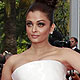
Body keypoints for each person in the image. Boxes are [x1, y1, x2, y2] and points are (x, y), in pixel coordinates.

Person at [1, 0, 80, 80]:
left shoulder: (65, 54)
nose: (34, 29)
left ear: (51, 28)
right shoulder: (12, 62)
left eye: (40, 24)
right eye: (29, 24)